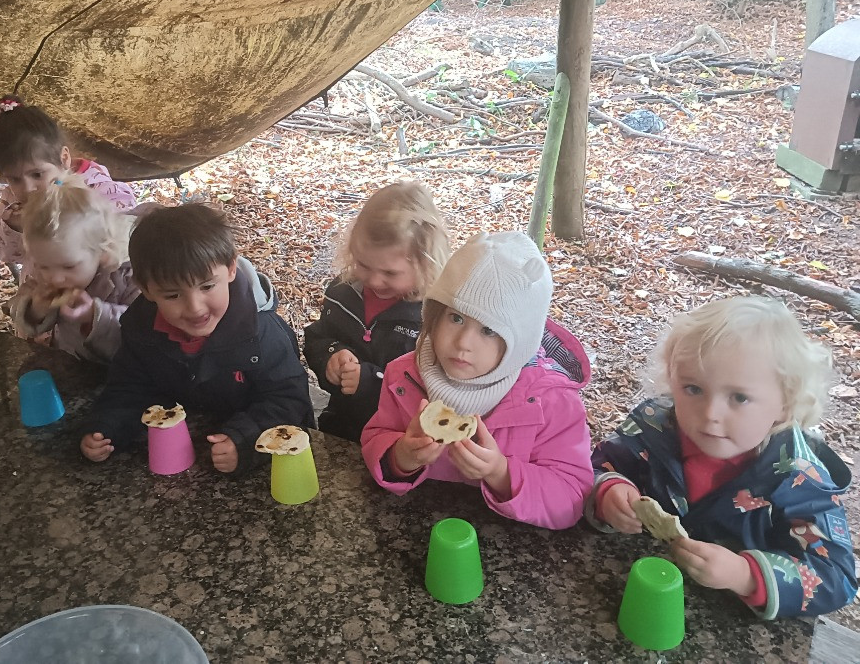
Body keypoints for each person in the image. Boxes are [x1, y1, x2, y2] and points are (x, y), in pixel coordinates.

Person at [586, 296, 857, 619]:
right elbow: (591, 467)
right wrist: (607, 490)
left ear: (785, 403)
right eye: (693, 389)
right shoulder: (654, 427)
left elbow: (835, 577)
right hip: (635, 594)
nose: (710, 413)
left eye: (739, 397)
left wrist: (744, 575)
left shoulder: (798, 479)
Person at [361, 231, 594, 528]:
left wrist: (501, 472)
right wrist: (400, 458)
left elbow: (573, 496)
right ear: (434, 313)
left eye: (489, 330)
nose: (463, 343)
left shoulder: (551, 401)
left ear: (519, 342)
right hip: (417, 531)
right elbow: (375, 437)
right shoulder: (404, 375)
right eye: (456, 318)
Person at [79, 204, 315, 474]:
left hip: (265, 463)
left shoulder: (261, 333)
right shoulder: (141, 330)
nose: (195, 308)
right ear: (146, 290)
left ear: (230, 269)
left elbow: (289, 401)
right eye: (172, 295)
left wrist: (245, 439)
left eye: (207, 286)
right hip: (181, 451)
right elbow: (129, 387)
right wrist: (106, 428)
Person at [304, 182, 449, 442]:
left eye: (390, 273)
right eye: (363, 264)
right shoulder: (342, 293)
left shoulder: (434, 317)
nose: (373, 280)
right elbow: (317, 337)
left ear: (425, 263)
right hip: (342, 427)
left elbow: (436, 388)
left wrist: (371, 382)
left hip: (401, 440)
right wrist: (331, 355)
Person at [0, 95, 136, 269]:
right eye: (14, 179)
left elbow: (126, 236)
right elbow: (3, 252)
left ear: (64, 159)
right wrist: (14, 229)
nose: (28, 188)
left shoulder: (97, 191)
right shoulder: (10, 204)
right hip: (42, 291)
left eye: (37, 174)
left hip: (97, 290)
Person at [9, 174, 139, 364]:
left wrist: (95, 315)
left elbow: (143, 332)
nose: (55, 278)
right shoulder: (43, 277)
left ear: (102, 251)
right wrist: (35, 309)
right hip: (71, 364)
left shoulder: (127, 278)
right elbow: (18, 308)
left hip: (121, 374)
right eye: (43, 266)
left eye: (68, 266)